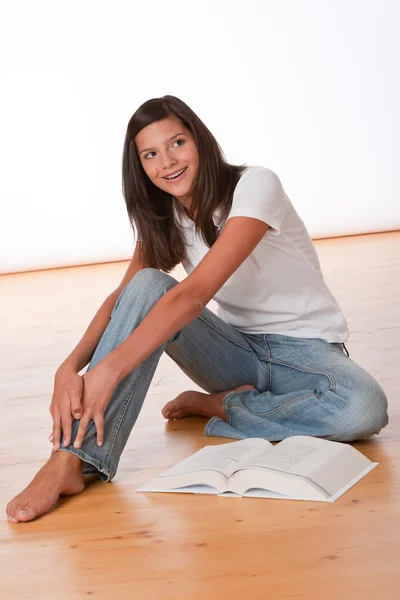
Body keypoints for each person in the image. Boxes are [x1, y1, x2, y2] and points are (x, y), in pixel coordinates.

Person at [6, 95, 388, 523]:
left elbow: (194, 294)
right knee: (148, 284)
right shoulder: (165, 214)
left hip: (308, 355)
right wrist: (70, 365)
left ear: (199, 141)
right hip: (234, 353)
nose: (167, 162)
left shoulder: (255, 185)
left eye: (177, 143)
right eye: (150, 154)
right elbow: (122, 298)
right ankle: (71, 460)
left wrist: (108, 369)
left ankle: (222, 407)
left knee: (363, 408)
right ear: (141, 167)